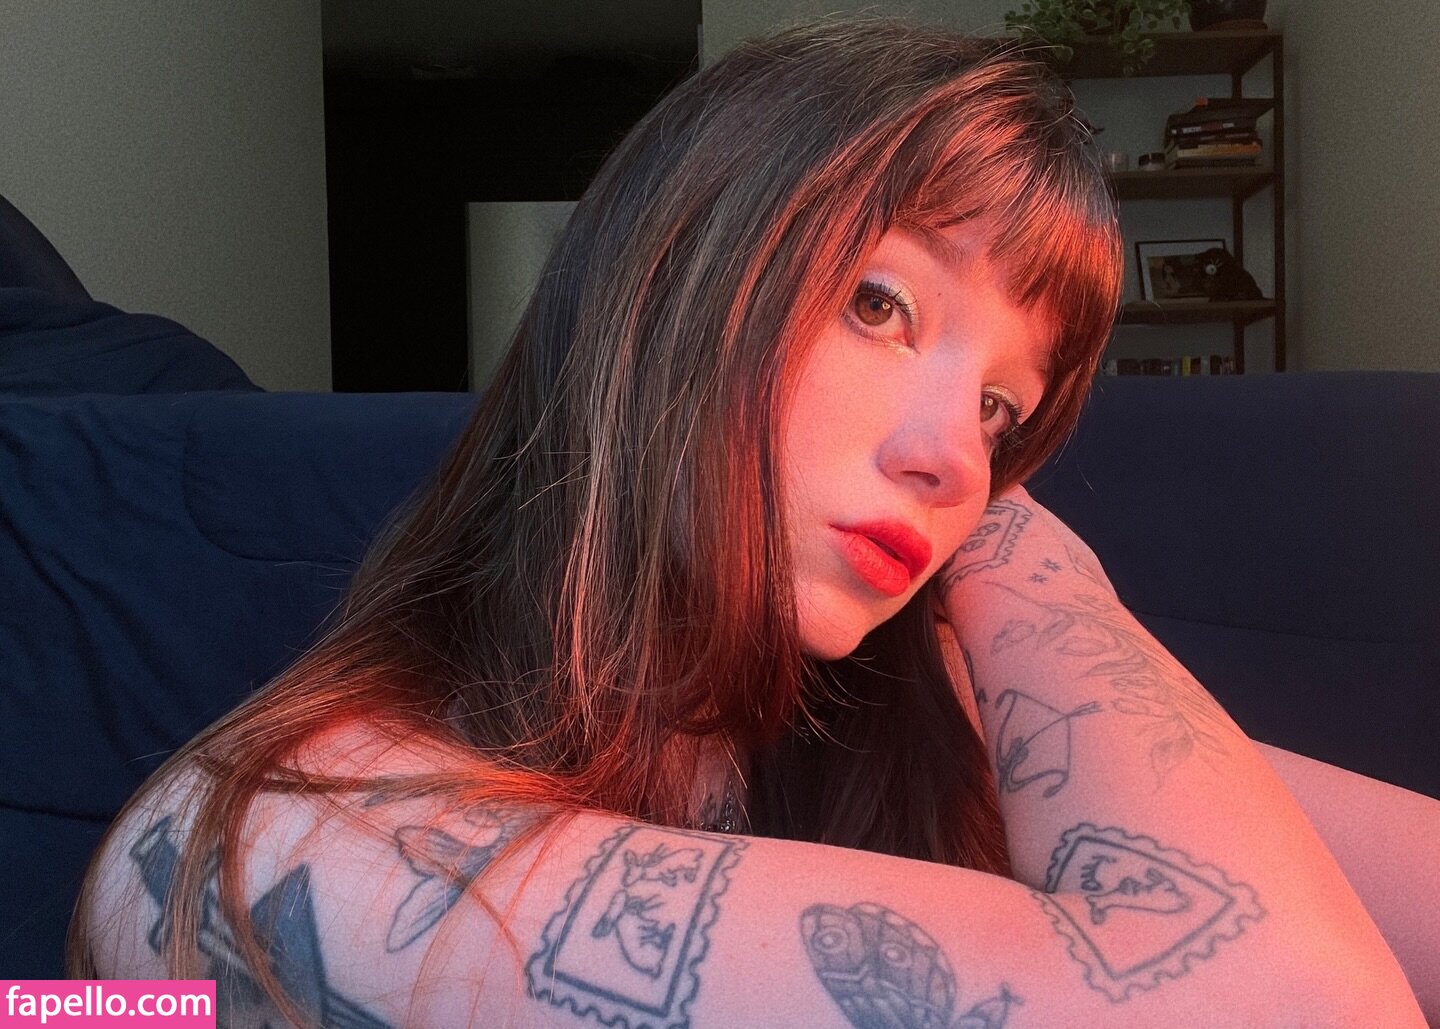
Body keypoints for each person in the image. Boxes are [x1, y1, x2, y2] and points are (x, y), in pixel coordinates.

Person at [70, 18, 1434, 1027]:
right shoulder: (276, 841)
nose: (956, 462)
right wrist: (1035, 560)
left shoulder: (888, 735)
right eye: (880, 304)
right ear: (668, 281)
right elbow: (1299, 1008)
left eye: (1004, 413)